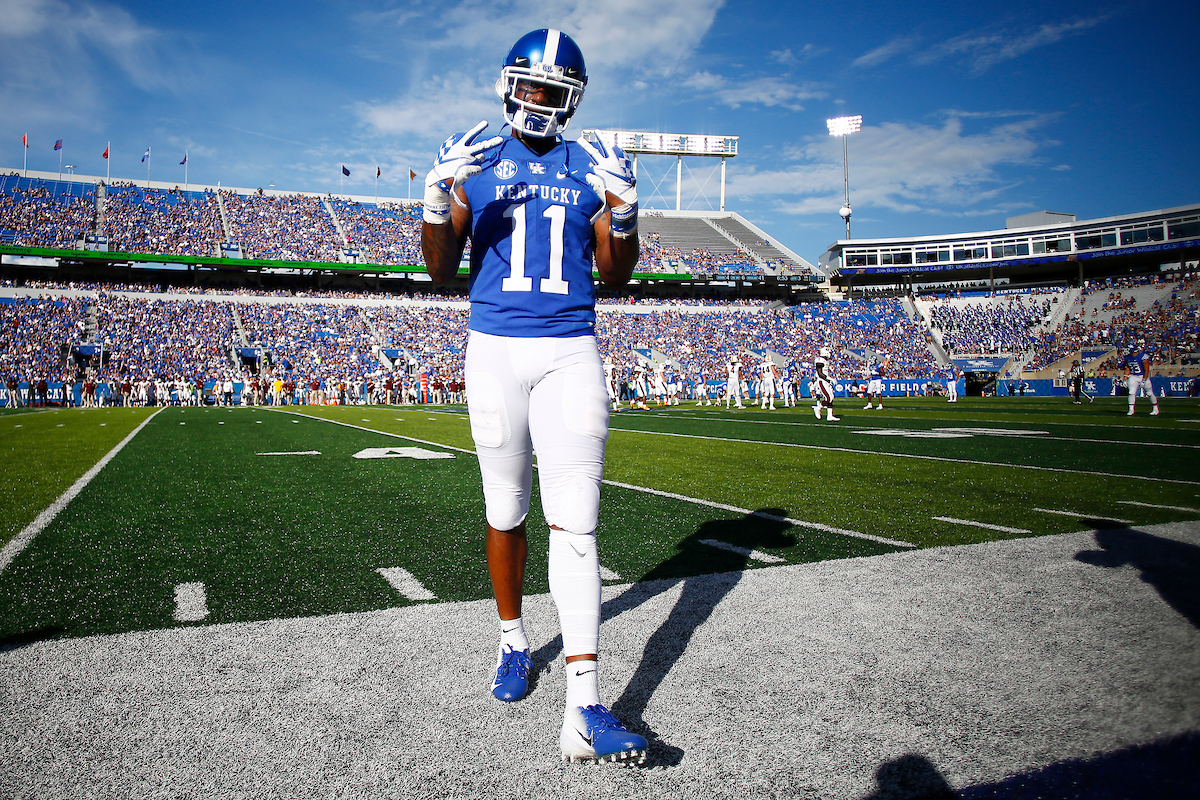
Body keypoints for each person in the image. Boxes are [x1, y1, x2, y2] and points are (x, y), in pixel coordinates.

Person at [419, 29, 646, 765]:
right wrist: (437, 202)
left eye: (554, 91)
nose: (539, 101)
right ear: (509, 85)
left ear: (573, 100)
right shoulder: (480, 162)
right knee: (505, 509)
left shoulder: (589, 166)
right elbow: (441, 274)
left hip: (570, 349)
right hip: (494, 350)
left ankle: (584, 707)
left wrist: (625, 213)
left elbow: (616, 275)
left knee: (576, 521)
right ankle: (513, 640)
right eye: (531, 86)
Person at [1124, 343, 1160, 416]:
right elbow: (1127, 368)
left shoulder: (1142, 356)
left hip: (1142, 376)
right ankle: (1131, 409)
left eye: (1128, 349)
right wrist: (1125, 378)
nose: (1126, 351)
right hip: (1133, 376)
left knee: (1149, 393)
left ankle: (1155, 408)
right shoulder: (1127, 358)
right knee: (1131, 392)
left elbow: (1146, 369)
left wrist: (1144, 380)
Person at [813, 347, 839, 421]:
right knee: (828, 398)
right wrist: (830, 379)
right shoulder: (820, 360)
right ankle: (818, 408)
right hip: (822, 381)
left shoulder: (825, 360)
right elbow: (820, 373)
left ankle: (829, 416)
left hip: (826, 381)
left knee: (831, 398)